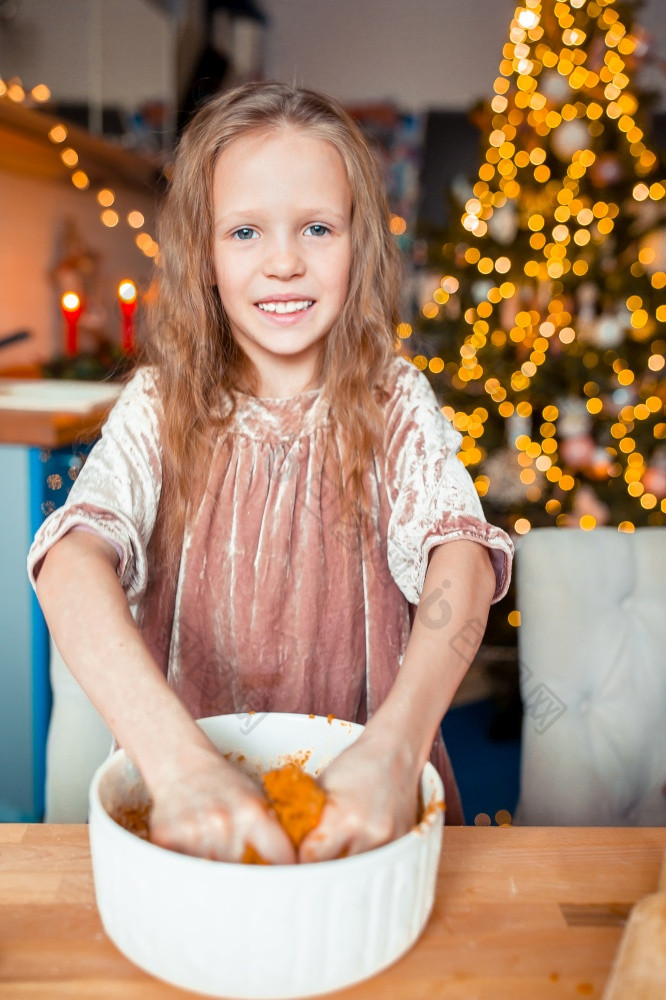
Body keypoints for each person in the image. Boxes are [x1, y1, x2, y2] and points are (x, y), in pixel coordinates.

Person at [29, 82, 513, 865]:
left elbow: (457, 556)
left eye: (317, 228)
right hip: (192, 808)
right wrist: (181, 767)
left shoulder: (392, 399)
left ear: (358, 246)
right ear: (206, 257)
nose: (284, 262)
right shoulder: (158, 405)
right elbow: (69, 564)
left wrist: (397, 748)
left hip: (369, 802)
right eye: (246, 231)